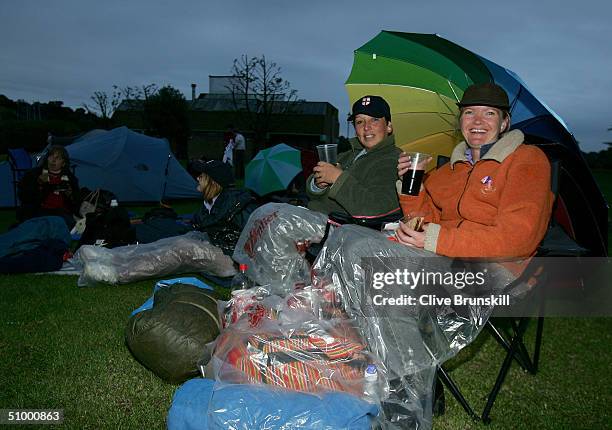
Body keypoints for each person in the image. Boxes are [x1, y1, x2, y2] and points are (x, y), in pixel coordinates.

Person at [396, 82, 553, 268]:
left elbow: (518, 238)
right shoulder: (446, 172)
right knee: (360, 246)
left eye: (489, 113)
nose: (477, 121)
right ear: (461, 121)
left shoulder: (527, 160)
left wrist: (438, 241)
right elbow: (425, 224)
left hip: (498, 268)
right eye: (469, 112)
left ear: (504, 123)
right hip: (444, 259)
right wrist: (411, 185)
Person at [306, 95, 401, 217]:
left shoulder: (394, 160)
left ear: (388, 126)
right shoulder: (347, 155)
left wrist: (337, 178)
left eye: (374, 119)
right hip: (314, 217)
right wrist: (317, 184)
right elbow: (311, 191)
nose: (366, 127)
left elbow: (377, 208)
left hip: (340, 229)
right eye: (360, 121)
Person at [189, 160, 256, 253]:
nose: (197, 179)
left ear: (213, 182)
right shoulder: (209, 204)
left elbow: (249, 244)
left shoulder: (237, 208)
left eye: (201, 176)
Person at [17, 145, 80, 229]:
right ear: (47, 159)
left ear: (63, 163)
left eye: (58, 158)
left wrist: (70, 195)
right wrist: (39, 184)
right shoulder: (33, 174)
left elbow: (76, 200)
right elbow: (24, 196)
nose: (53, 160)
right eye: (51, 156)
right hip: (39, 211)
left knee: (66, 224)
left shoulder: (69, 178)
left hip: (61, 212)